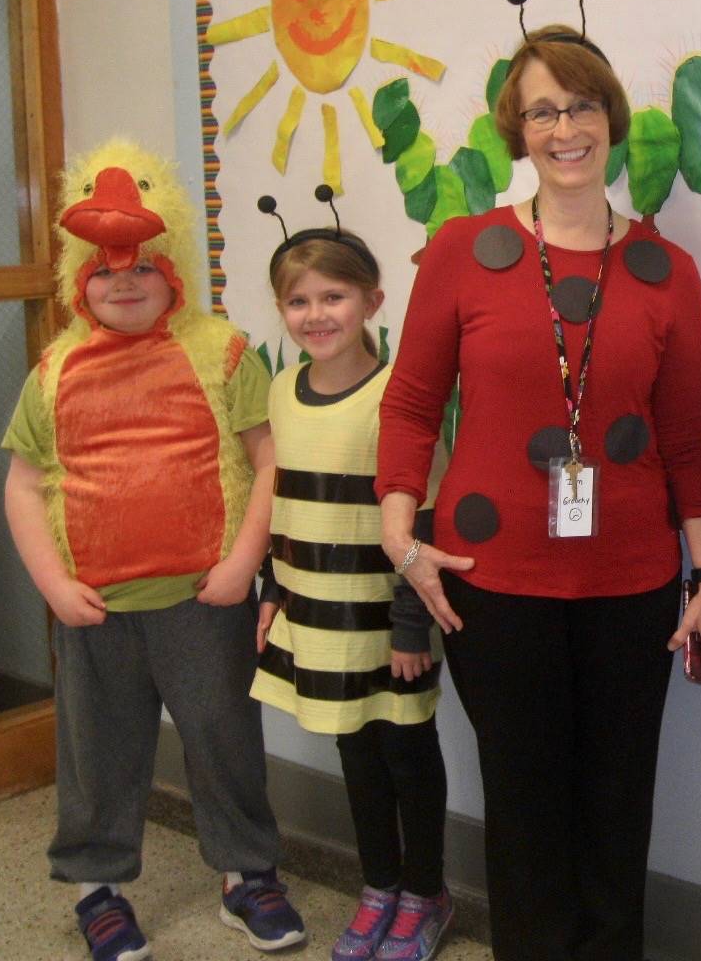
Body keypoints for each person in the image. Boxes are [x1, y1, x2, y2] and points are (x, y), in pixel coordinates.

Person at [376, 19, 701, 961]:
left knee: (617, 817)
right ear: (517, 132)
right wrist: (400, 535)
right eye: (541, 111)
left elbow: (690, 435)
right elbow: (411, 406)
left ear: (610, 119)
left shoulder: (667, 272)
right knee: (525, 821)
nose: (564, 127)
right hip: (494, 585)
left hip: (633, 587)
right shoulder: (461, 250)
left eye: (579, 105)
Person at [3, 140, 305, 961]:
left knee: (222, 736)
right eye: (102, 271)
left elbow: (269, 460)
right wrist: (52, 585)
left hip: (202, 598)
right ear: (78, 281)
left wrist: (245, 561)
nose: (123, 282)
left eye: (140, 267)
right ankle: (97, 887)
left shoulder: (223, 350)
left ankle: (247, 873)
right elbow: (24, 488)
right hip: (95, 606)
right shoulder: (54, 370)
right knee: (96, 752)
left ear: (172, 270)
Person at [249, 217, 452, 961]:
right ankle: (380, 885)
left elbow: (427, 512)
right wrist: (273, 592)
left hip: (386, 624)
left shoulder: (399, 395)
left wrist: (408, 628)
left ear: (373, 301)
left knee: (406, 755)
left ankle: (426, 892)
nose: (316, 315)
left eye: (333, 296)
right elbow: (285, 505)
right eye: (298, 301)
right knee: (356, 758)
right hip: (316, 618)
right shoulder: (281, 391)